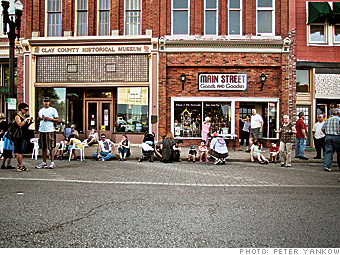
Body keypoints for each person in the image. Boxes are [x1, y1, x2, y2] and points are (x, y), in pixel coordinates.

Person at [35, 97, 59, 169]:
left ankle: (52, 162)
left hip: (50, 130)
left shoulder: (53, 110)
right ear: (43, 102)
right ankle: (44, 162)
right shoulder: (41, 110)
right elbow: (38, 120)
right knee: (43, 147)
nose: (46, 103)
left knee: (51, 146)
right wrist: (39, 118)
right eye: (45, 101)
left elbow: (57, 119)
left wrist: (49, 119)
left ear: (49, 102)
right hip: (42, 130)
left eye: (47, 101)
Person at [14, 103, 34, 172]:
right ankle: (20, 165)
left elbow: (25, 126)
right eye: (25, 110)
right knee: (19, 151)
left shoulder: (24, 117)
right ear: (21, 109)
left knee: (22, 150)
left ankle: (21, 164)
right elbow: (20, 124)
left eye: (27, 110)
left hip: (24, 135)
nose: (26, 111)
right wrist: (26, 120)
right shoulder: (17, 116)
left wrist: (30, 123)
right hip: (19, 136)